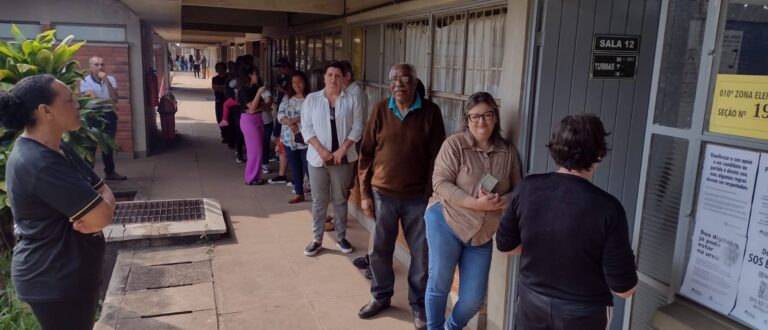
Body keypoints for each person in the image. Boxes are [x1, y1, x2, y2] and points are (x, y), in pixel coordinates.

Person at [496, 113, 638, 330]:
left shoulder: (526, 188)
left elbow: (506, 245)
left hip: (531, 304)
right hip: (584, 313)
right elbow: (624, 289)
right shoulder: (609, 208)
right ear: (599, 155)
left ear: (555, 148)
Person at [0, 74, 116, 330]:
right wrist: (100, 213)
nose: (78, 105)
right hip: (54, 278)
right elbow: (103, 215)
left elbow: (105, 191)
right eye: (70, 100)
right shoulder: (39, 163)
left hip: (72, 273)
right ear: (45, 111)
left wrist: (100, 210)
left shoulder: (59, 148)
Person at [357, 63, 446, 329]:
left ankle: (418, 305)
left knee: (421, 254)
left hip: (418, 197)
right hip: (382, 194)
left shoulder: (431, 112)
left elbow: (437, 157)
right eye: (393, 79)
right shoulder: (380, 109)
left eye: (404, 79)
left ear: (415, 81)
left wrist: (431, 193)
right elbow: (366, 154)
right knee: (379, 250)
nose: (398, 84)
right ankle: (381, 296)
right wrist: (364, 192)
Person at [425, 92, 521, 330]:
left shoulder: (507, 152)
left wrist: (501, 200)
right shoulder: (455, 144)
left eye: (487, 115)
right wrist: (473, 203)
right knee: (440, 282)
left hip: (482, 233)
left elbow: (520, 189)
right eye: (475, 116)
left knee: (472, 299)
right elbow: (440, 182)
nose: (481, 121)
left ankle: (451, 328)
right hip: (446, 220)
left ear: (495, 118)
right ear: (467, 119)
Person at [301, 61, 363, 257]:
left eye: (338, 75)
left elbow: (358, 127)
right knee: (319, 200)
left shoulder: (352, 100)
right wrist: (321, 150)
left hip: (342, 159)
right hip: (317, 159)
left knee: (340, 199)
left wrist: (342, 150)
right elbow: (306, 127)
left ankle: (341, 237)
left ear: (344, 78)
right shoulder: (311, 99)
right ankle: (316, 239)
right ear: (324, 77)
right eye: (330, 75)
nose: (333, 79)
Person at [80, 56, 126, 180]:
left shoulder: (110, 79)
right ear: (90, 66)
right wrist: (108, 101)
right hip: (92, 116)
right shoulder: (85, 81)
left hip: (109, 115)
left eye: (102, 64)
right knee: (91, 146)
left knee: (108, 145)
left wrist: (106, 80)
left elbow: (115, 99)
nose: (100, 67)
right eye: (96, 65)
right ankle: (88, 176)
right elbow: (94, 101)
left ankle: (110, 172)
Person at [277, 71, 310, 203]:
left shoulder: (310, 98)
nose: (297, 85)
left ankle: (319, 195)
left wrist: (295, 119)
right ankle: (299, 193)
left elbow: (312, 115)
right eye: (294, 82)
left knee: (309, 168)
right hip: (289, 139)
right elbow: (280, 115)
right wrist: (290, 124)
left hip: (306, 139)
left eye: (299, 81)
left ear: (305, 82)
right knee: (295, 167)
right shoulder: (287, 97)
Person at [238, 60, 270, 185]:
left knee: (259, 149)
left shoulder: (256, 88)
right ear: (250, 75)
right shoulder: (243, 90)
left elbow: (265, 106)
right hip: (248, 121)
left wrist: (258, 106)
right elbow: (251, 107)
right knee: (254, 150)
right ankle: (250, 178)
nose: (258, 76)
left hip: (258, 118)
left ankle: (256, 176)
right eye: (256, 74)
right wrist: (258, 95)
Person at [268, 58, 295, 184]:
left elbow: (292, 94)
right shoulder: (283, 78)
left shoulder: (292, 79)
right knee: (279, 138)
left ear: (287, 68)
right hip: (281, 111)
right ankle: (279, 158)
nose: (279, 71)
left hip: (291, 118)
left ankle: (293, 176)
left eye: (281, 68)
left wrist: (282, 90)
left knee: (289, 144)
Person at [212, 62, 229, 144]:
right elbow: (215, 87)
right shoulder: (215, 78)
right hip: (219, 100)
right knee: (220, 118)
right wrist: (224, 88)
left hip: (228, 101)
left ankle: (228, 135)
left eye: (221, 68)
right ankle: (224, 134)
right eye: (218, 68)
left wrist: (220, 87)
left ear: (225, 68)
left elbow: (228, 89)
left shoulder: (228, 77)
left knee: (228, 118)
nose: (220, 69)